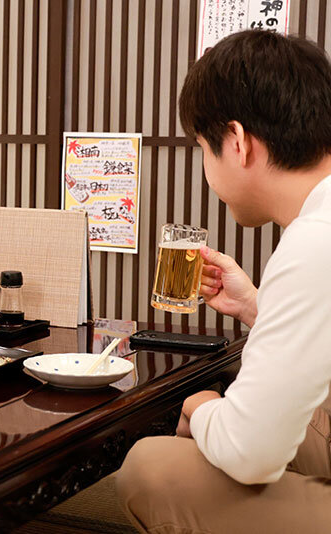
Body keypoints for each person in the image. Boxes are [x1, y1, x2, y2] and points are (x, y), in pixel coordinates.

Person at [116, 30, 331, 533]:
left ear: (236, 142)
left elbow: (250, 453)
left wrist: (203, 406)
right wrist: (256, 305)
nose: (206, 168)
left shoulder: (315, 239)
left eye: (202, 149)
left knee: (151, 468)